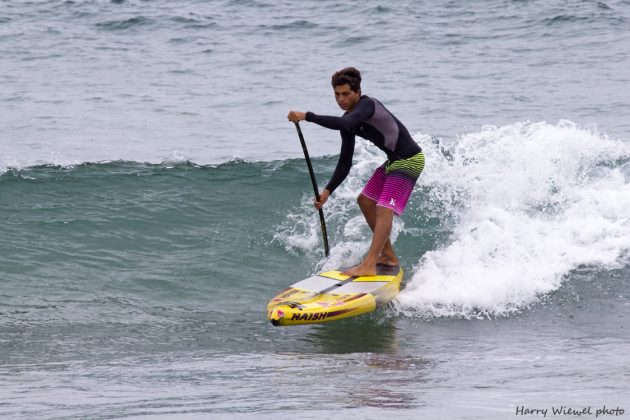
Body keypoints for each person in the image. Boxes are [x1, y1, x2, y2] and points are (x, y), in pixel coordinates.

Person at [288, 67, 425, 277]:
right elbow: (345, 161)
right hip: (393, 162)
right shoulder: (348, 121)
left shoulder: (367, 105)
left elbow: (344, 122)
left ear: (358, 92)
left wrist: (308, 116)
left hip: (410, 160)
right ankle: (387, 256)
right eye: (337, 94)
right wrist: (327, 191)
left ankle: (369, 264)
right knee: (365, 201)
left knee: (383, 208)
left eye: (346, 94)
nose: (341, 99)